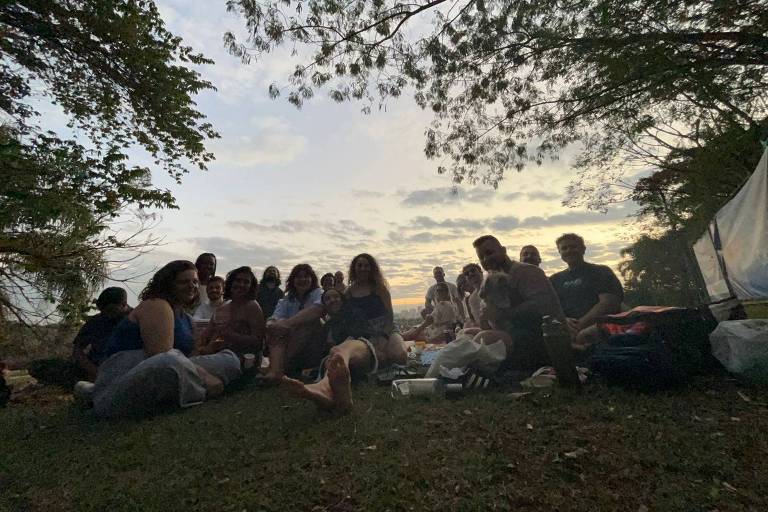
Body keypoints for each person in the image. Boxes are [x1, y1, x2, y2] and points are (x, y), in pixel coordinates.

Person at [88, 261, 242, 418]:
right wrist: (207, 376)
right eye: (184, 281)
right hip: (119, 381)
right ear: (169, 284)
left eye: (195, 281)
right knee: (169, 361)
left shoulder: (187, 319)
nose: (192, 286)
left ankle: (183, 394)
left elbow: (191, 358)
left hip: (168, 371)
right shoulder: (156, 305)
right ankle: (202, 391)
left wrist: (212, 347)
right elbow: (161, 354)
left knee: (229, 359)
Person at [283, 254, 406, 414]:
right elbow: (338, 309)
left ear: (372, 268)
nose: (363, 268)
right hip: (363, 335)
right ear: (354, 268)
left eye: (366, 265)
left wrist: (383, 337)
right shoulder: (349, 292)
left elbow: (389, 316)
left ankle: (327, 386)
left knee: (398, 355)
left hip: (385, 329)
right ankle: (326, 387)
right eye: (359, 265)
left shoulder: (379, 288)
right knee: (342, 354)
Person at [473, 235, 566, 370]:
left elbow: (540, 306)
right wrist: (485, 318)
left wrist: (501, 314)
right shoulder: (490, 280)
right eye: (481, 257)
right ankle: (447, 375)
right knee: (467, 334)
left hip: (543, 339)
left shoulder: (528, 272)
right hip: (513, 335)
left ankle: (458, 376)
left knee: (484, 338)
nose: (486, 259)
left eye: (489, 253)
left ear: (503, 250)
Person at [549, 233, 623, 341]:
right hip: (564, 328)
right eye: (564, 248)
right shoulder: (554, 279)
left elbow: (608, 303)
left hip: (597, 327)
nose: (569, 250)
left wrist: (578, 327)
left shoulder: (601, 271)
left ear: (583, 249)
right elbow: (550, 308)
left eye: (573, 246)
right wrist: (563, 321)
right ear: (560, 252)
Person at [262, 264, 326, 382]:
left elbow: (318, 309)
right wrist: (273, 325)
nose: (302, 280)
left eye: (306, 276)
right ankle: (275, 371)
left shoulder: (318, 293)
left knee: (308, 324)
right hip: (289, 342)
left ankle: (278, 368)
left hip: (313, 344)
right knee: (276, 327)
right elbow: (274, 318)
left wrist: (289, 323)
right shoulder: (286, 299)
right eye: (298, 277)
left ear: (312, 279)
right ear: (293, 280)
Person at [198, 267, 265, 357]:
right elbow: (206, 334)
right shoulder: (222, 308)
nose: (241, 284)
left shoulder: (252, 306)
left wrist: (231, 336)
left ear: (251, 286)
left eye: (246, 282)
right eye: (238, 280)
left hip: (242, 359)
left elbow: (258, 342)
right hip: (216, 354)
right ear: (231, 282)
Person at [72, 287, 131, 382]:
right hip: (96, 370)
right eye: (102, 311)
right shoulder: (96, 321)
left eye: (110, 311)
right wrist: (93, 371)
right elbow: (78, 350)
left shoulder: (137, 320)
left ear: (123, 304)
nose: (106, 315)